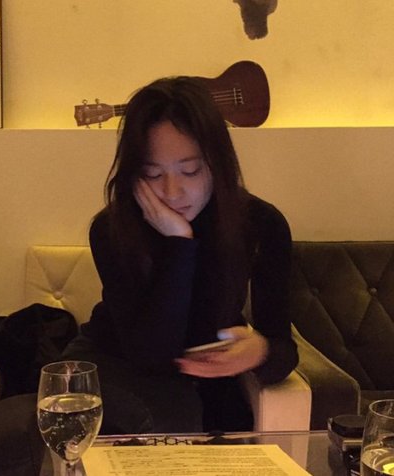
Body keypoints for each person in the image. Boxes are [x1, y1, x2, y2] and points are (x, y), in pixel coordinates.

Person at [63, 75, 298, 434]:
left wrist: (261, 350)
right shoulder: (112, 229)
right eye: (153, 174)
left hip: (199, 379)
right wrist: (180, 244)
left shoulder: (261, 223)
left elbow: (283, 346)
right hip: (115, 368)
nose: (172, 192)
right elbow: (151, 355)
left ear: (218, 163)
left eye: (190, 170)